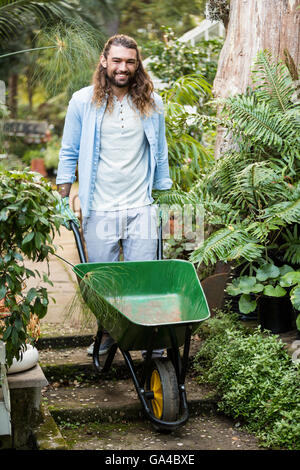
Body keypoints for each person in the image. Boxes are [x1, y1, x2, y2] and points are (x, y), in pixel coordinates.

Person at [56, 34, 172, 357]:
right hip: (100, 207)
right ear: (104, 61)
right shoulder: (82, 102)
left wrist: (164, 196)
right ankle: (108, 332)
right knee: (103, 281)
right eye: (117, 60)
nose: (123, 67)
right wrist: (62, 198)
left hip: (141, 207)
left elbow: (159, 152)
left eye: (130, 61)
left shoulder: (152, 103)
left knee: (143, 278)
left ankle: (148, 339)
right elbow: (69, 153)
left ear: (137, 65)